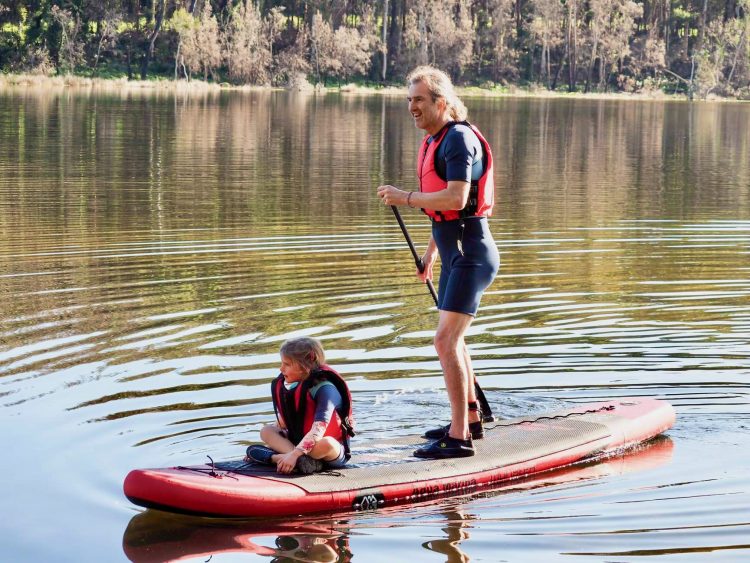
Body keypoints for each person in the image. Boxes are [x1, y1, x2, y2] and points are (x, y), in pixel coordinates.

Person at [377, 65, 499, 459]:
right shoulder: (436, 140)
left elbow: (457, 199)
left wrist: (405, 197)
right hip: (453, 254)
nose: (412, 107)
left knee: (444, 340)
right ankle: (471, 419)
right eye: (409, 99)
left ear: (441, 102)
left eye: (419, 100)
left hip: (471, 255)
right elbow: (444, 216)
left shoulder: (458, 140)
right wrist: (430, 255)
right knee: (453, 340)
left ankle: (459, 438)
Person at [245, 337, 355, 474]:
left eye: (287, 364)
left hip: (327, 452)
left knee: (328, 443)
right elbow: (283, 423)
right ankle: (301, 461)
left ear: (306, 365)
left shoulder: (326, 389)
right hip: (299, 447)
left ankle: (277, 458)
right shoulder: (298, 387)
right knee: (266, 431)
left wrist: (293, 454)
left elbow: (319, 428)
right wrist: (272, 444)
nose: (281, 368)